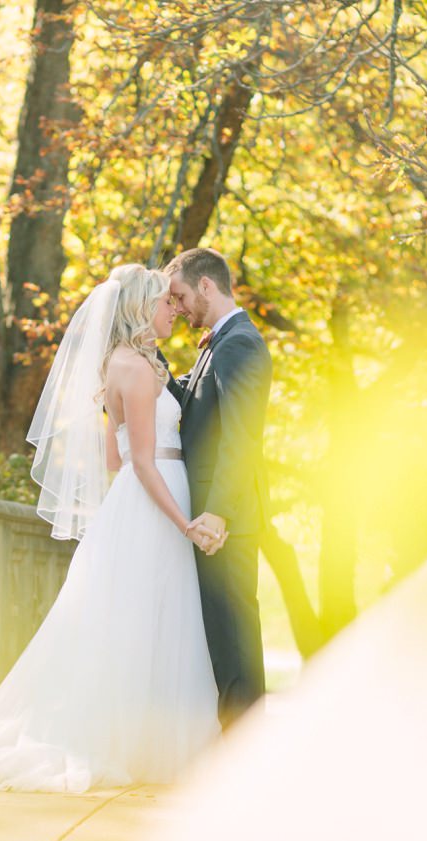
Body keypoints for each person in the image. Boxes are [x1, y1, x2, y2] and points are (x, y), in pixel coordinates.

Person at [0, 264, 220, 793]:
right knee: (153, 622)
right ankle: (149, 745)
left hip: (135, 503)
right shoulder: (140, 369)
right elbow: (145, 464)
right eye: (163, 302)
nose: (172, 308)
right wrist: (185, 524)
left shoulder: (121, 366)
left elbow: (114, 458)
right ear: (139, 308)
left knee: (129, 624)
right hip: (157, 503)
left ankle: (134, 740)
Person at [163, 248, 273, 728]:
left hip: (224, 518)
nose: (180, 307)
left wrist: (220, 513)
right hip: (212, 514)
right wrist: (143, 359)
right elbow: (189, 398)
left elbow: (240, 437)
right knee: (220, 636)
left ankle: (244, 753)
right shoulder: (217, 343)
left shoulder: (240, 344)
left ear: (206, 286)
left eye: (182, 296)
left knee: (234, 638)